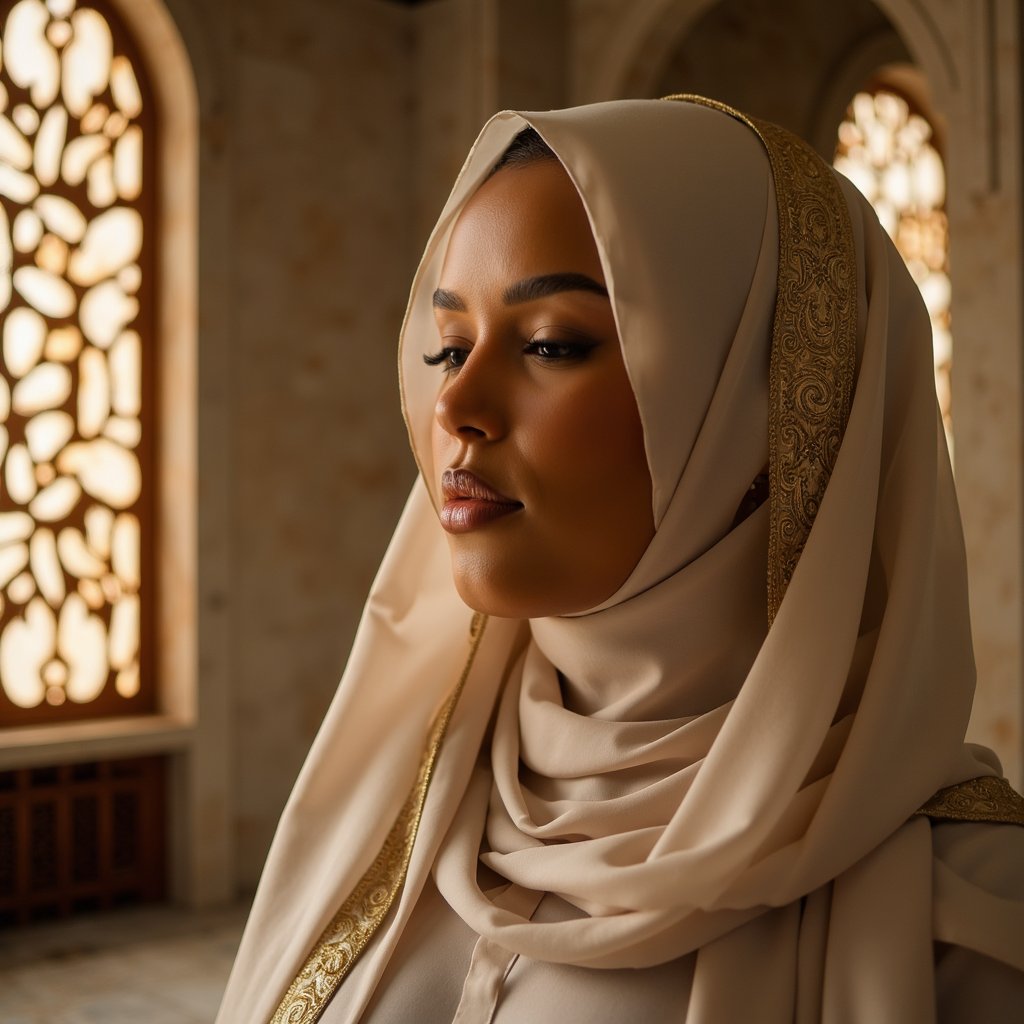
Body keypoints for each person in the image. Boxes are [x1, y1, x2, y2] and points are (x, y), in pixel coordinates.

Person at [216, 96, 1024, 1024]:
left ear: (761, 417)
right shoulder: (392, 800)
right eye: (446, 348)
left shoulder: (970, 926)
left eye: (552, 344)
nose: (457, 405)